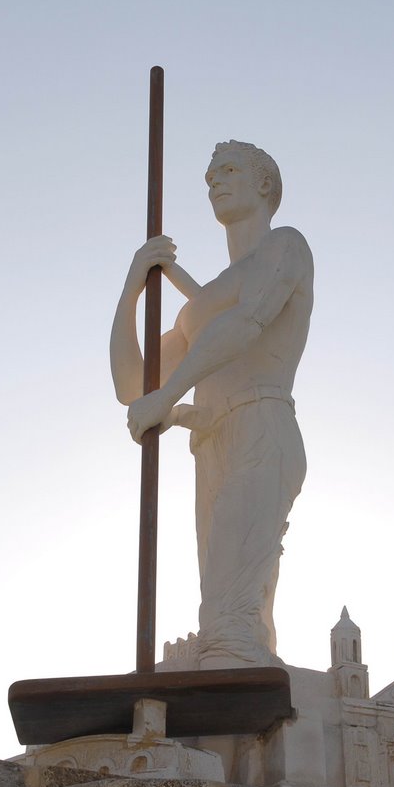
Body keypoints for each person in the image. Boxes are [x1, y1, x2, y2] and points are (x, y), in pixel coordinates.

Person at [111, 141, 314, 669]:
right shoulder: (201, 306)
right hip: (212, 442)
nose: (213, 182)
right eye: (208, 177)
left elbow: (245, 325)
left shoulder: (286, 247)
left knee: (232, 622)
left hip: (260, 425)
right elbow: (132, 384)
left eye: (227, 170)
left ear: (265, 185)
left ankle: (250, 728)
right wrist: (133, 286)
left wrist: (167, 397)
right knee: (221, 610)